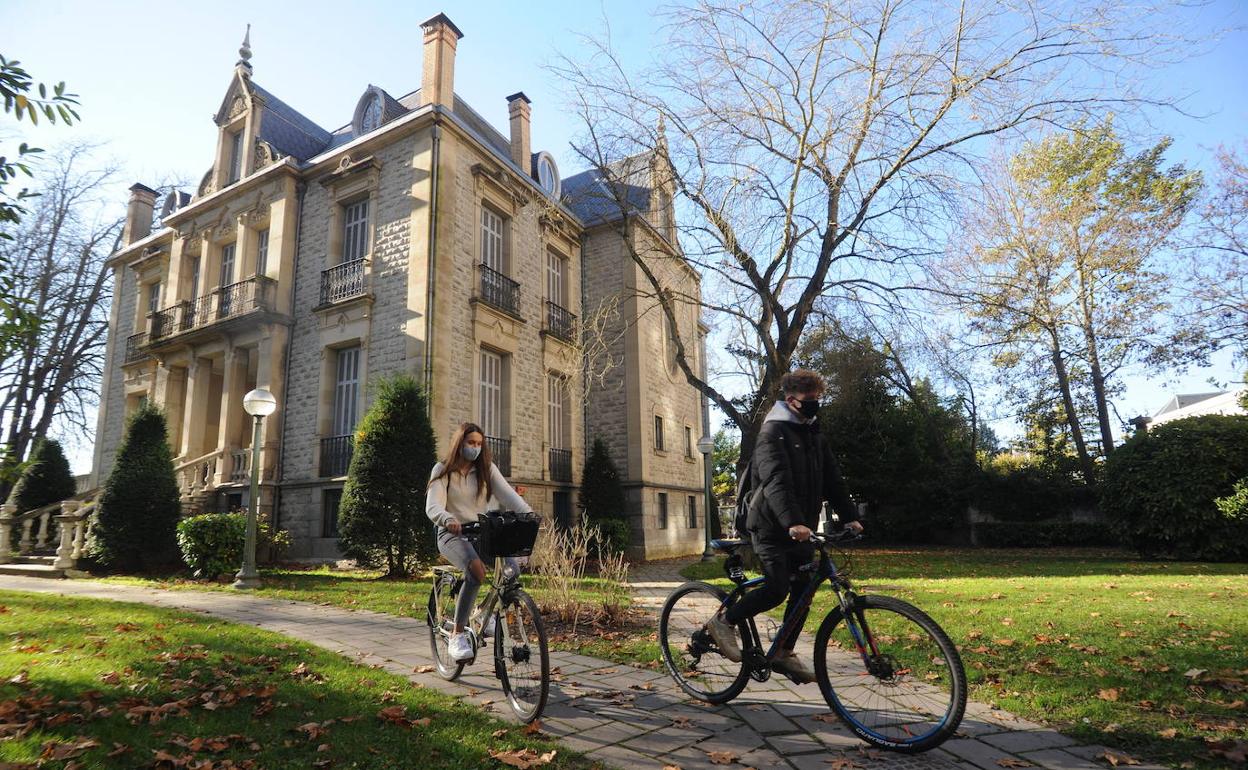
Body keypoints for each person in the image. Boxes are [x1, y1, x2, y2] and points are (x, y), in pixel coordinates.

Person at [707, 369, 864, 683]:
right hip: (769, 525)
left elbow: (832, 479)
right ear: (791, 401)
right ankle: (723, 621)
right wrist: (793, 522)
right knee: (777, 588)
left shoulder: (813, 434)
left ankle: (783, 651)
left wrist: (850, 516)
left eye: (818, 398)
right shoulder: (772, 433)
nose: (815, 404)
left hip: (800, 528)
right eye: (810, 399)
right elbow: (775, 481)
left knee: (804, 589)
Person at [426, 422, 532, 662]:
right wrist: (447, 518)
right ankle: (458, 634)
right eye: (470, 443)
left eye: (479, 444)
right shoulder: (443, 470)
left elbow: (510, 497)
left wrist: (530, 516)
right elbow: (432, 505)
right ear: (460, 443)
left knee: (511, 570)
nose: (475, 448)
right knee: (476, 570)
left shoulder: (486, 469)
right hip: (451, 533)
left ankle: (483, 612)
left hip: (479, 533)